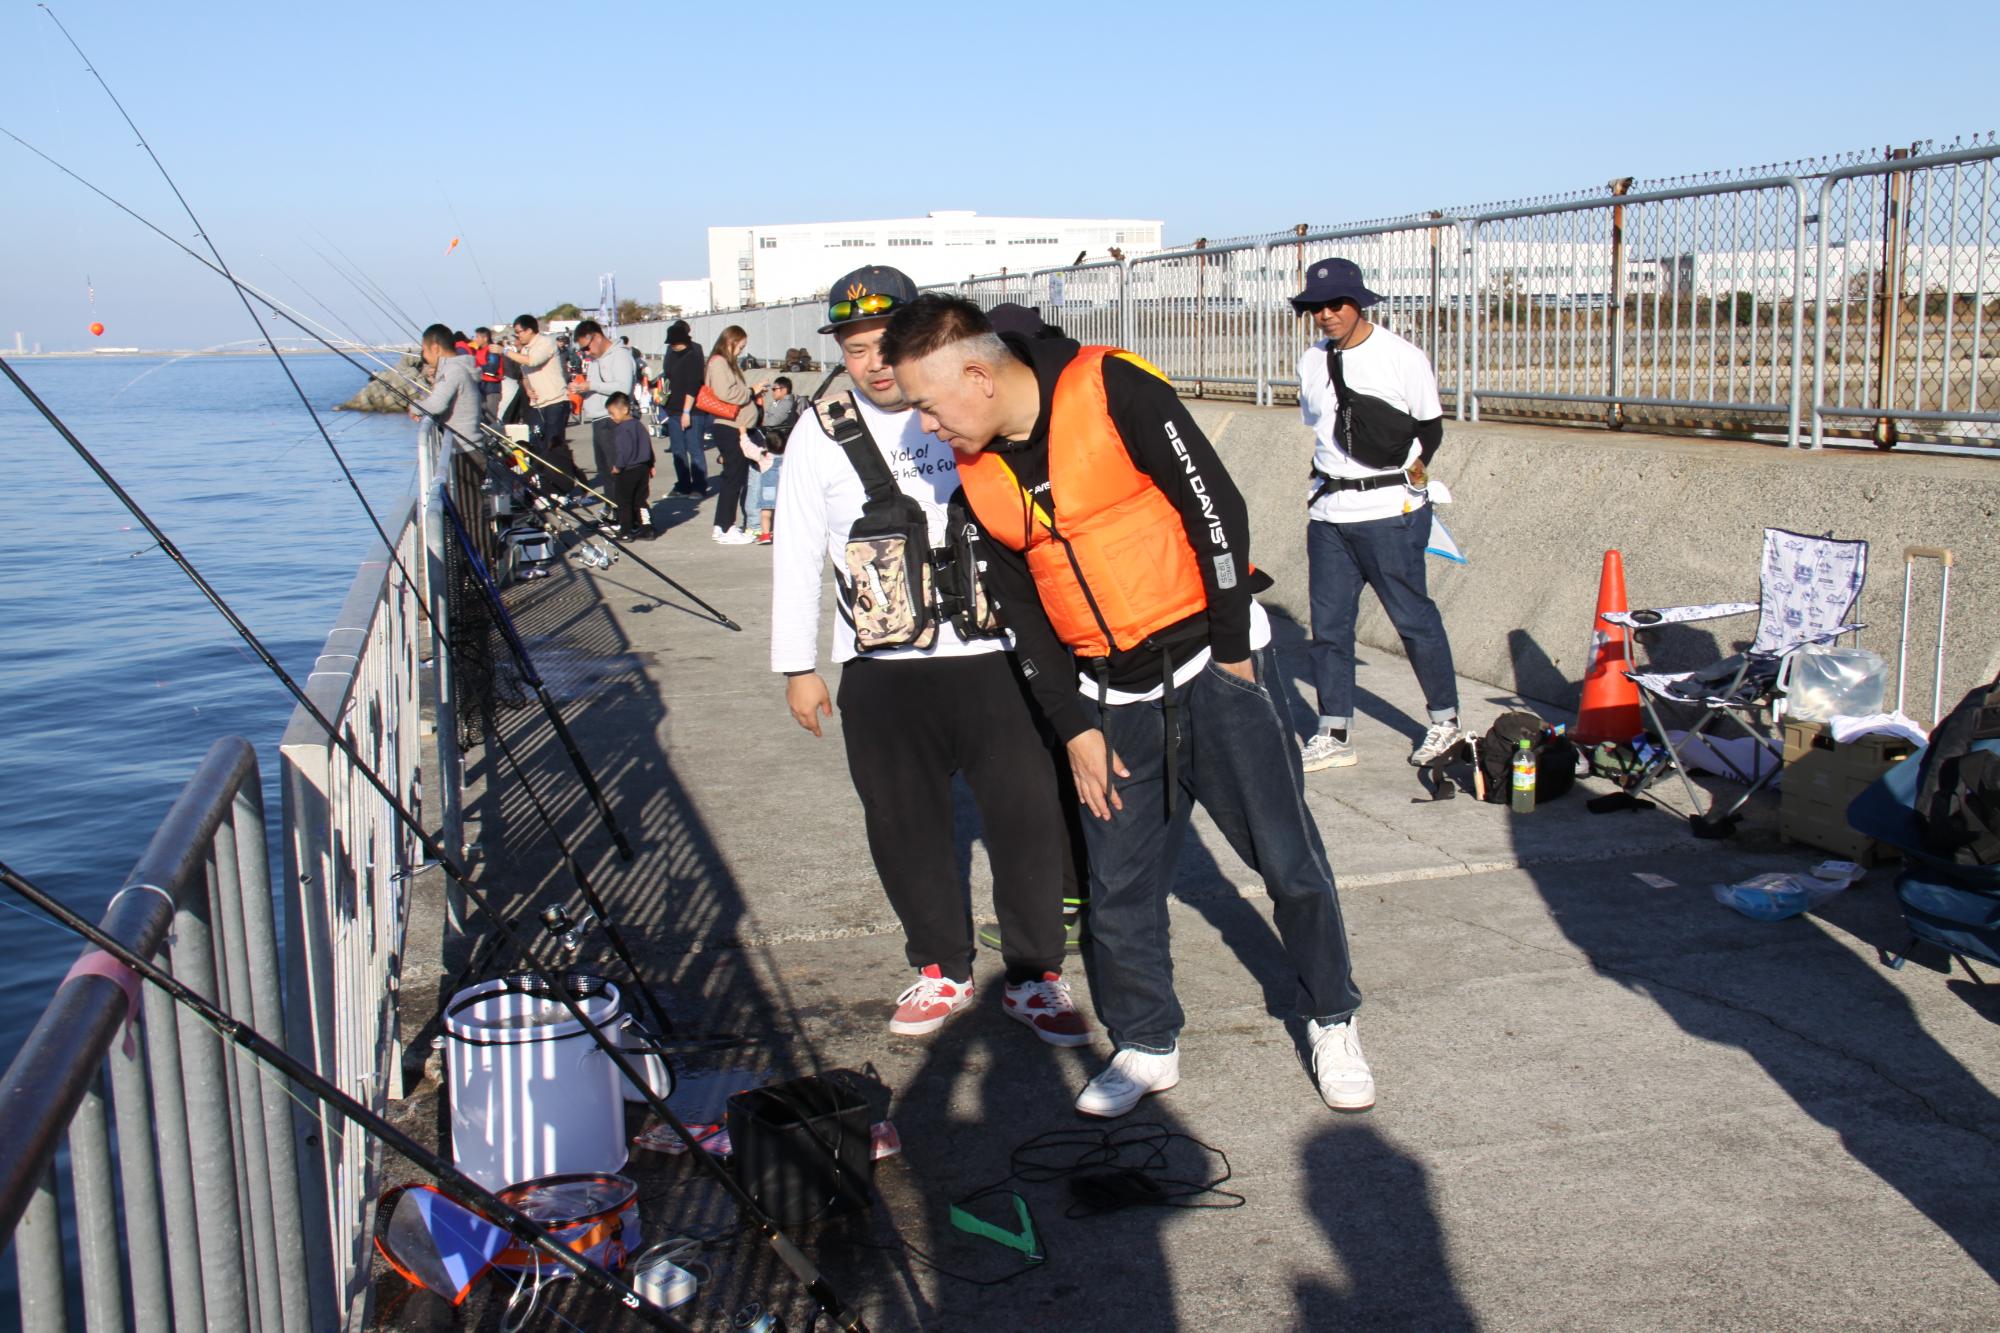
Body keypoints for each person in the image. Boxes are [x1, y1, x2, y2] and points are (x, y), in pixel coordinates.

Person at [882, 293, 1374, 1118]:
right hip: (1112, 697)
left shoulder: (1112, 388)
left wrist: (1231, 652)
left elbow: (1218, 512)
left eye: (928, 405)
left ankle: (1333, 1017)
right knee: (1118, 888)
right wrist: (1073, 723)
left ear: (977, 374)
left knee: (1287, 860)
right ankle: (1146, 1042)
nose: (929, 427)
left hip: (1216, 668)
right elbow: (1022, 615)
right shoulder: (978, 479)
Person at [773, 265, 1090, 1048]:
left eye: (884, 344)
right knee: (903, 822)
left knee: (1027, 816)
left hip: (996, 660)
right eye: (854, 349)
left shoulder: (966, 406)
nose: (874, 363)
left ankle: (1036, 973)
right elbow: (799, 548)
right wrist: (798, 663)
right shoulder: (820, 428)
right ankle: (940, 967)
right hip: (883, 672)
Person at [1290, 258, 1460, 773]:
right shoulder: (1310, 361)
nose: (1326, 314)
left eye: (1336, 303)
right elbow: (1320, 430)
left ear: (1358, 303)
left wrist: (1410, 475)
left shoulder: (1401, 356)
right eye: (1316, 306)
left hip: (1390, 512)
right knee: (1329, 627)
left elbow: (1430, 428)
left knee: (1412, 618)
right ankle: (1334, 730)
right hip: (1329, 514)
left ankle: (1445, 722)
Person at [504, 314, 578, 492]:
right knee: (540, 447)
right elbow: (525, 373)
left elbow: (533, 361)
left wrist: (505, 352)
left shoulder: (545, 343)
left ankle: (562, 487)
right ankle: (547, 487)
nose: (517, 336)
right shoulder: (525, 349)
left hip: (556, 402)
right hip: (539, 405)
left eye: (519, 332)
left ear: (530, 330)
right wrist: (528, 387)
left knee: (554, 448)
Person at [703, 325, 760, 544]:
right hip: (730, 425)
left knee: (733, 477)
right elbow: (726, 393)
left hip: (733, 425)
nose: (741, 351)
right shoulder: (719, 362)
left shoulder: (722, 362)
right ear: (731, 341)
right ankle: (726, 527)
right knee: (733, 478)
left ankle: (722, 525)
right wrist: (751, 391)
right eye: (740, 346)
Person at [573, 319, 640, 499]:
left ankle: (626, 515)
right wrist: (581, 391)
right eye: (583, 350)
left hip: (613, 420)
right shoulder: (596, 360)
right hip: (598, 420)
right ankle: (614, 509)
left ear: (597, 337)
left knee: (616, 470)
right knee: (605, 470)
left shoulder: (620, 356)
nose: (587, 352)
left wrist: (591, 386)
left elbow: (622, 388)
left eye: (587, 347)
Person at [410, 322, 482, 447]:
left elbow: (437, 405)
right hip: (468, 445)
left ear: (435, 348)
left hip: (463, 448)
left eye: (424, 350)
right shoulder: (458, 366)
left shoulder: (452, 369)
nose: (424, 356)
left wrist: (414, 407)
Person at [663, 320, 708, 496]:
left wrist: (686, 412)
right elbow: (667, 374)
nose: (672, 346)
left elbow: (693, 385)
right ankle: (682, 484)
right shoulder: (670, 352)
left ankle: (699, 486)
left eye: (675, 343)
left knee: (694, 448)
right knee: (678, 450)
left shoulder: (694, 352)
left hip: (692, 410)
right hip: (672, 408)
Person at [750, 376, 796, 545]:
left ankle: (764, 533)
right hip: (776, 448)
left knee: (767, 507)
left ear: (784, 390)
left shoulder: (786, 404)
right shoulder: (777, 404)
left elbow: (772, 420)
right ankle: (772, 532)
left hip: (776, 449)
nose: (772, 393)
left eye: (775, 389)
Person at [602, 392, 653, 534]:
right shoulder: (639, 425)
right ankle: (646, 528)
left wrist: (618, 467)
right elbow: (647, 445)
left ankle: (626, 530)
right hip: (642, 468)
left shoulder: (622, 429)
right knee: (641, 500)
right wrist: (651, 464)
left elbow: (623, 452)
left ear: (624, 410)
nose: (612, 418)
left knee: (624, 501)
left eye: (613, 413)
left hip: (628, 470)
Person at [469, 327, 505, 424]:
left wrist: (477, 368)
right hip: (481, 388)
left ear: (485, 338)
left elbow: (492, 367)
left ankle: (494, 437)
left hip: (492, 388)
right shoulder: (478, 351)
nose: (475, 339)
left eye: (477, 337)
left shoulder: (492, 350)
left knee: (490, 418)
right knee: (482, 417)